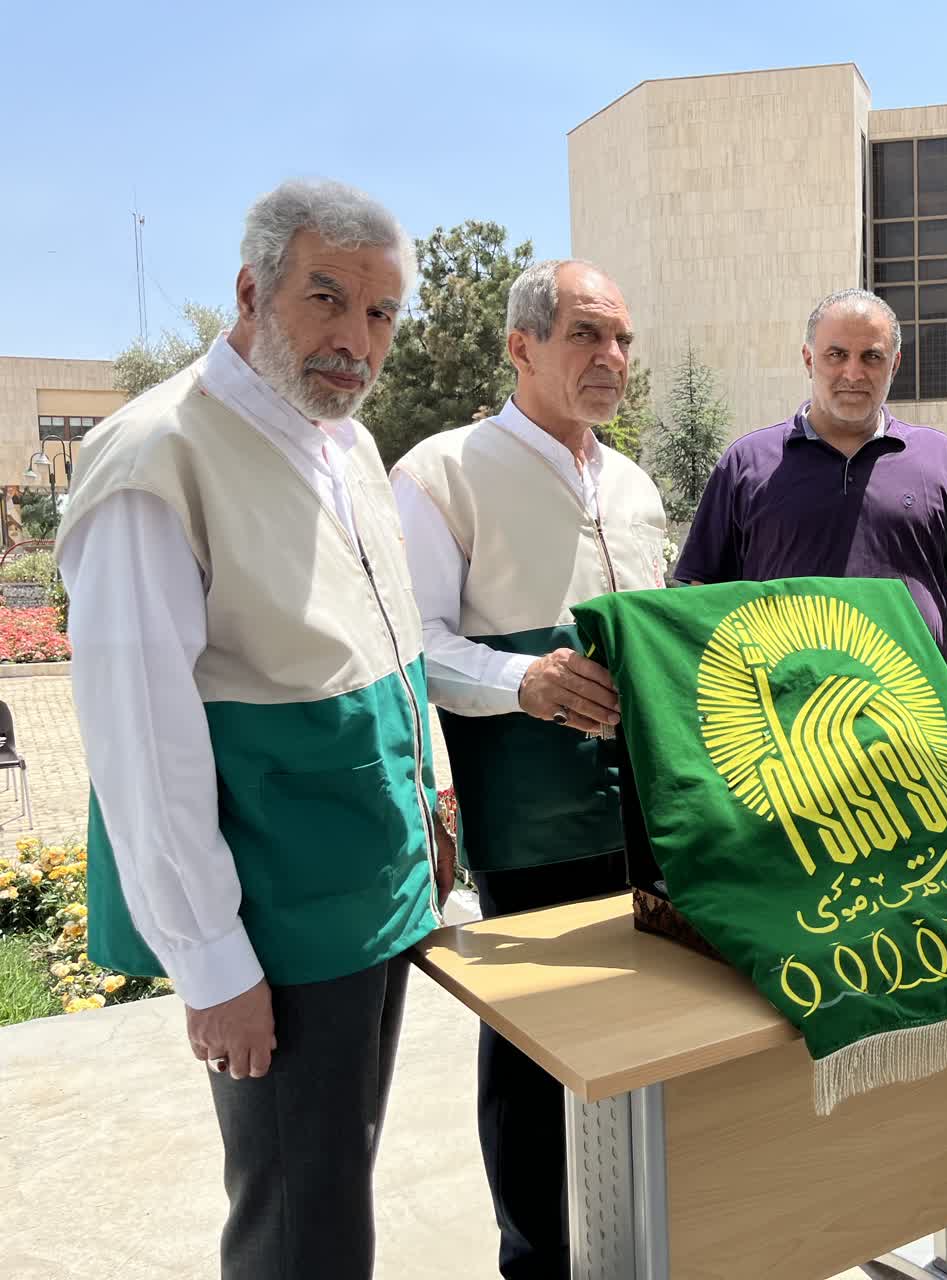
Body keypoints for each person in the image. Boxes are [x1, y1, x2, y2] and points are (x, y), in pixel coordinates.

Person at [55, 179, 449, 1280]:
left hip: (363, 894)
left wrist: (427, 827)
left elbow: (376, 649)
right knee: (299, 1224)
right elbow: (141, 739)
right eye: (327, 298)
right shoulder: (156, 456)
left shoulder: (344, 442)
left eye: (380, 312)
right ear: (250, 290)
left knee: (337, 1185)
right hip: (274, 916)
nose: (355, 340)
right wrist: (212, 961)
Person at [391, 260, 668, 1279]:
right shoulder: (442, 472)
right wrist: (524, 679)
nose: (611, 357)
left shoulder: (633, 484)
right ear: (521, 346)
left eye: (622, 338)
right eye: (586, 334)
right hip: (530, 816)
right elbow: (414, 643)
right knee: (535, 1048)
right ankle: (536, 1257)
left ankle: (643, 1240)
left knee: (653, 1028)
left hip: (652, 813)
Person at [675, 287, 947, 760]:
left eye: (871, 357)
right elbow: (701, 594)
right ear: (808, 360)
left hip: (915, 729)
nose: (853, 373)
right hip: (779, 735)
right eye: (837, 355)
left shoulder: (940, 460)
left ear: (894, 364)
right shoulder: (746, 464)